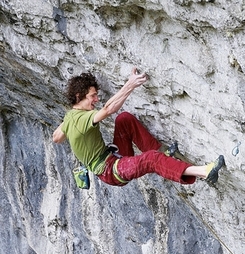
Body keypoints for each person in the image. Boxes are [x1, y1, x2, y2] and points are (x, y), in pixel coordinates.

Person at [52, 68, 224, 186]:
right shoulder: (81, 119)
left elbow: (57, 138)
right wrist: (130, 85)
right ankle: (204, 172)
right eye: (93, 96)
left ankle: (164, 153)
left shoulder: (70, 118)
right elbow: (108, 109)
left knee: (124, 119)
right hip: (111, 171)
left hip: (114, 157)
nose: (96, 99)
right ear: (78, 96)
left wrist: (69, 124)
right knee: (151, 160)